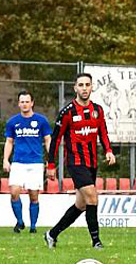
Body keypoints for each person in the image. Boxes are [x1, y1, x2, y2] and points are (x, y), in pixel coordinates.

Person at [44, 73, 116, 249]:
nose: (84, 88)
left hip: (92, 163)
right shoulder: (67, 112)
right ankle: (96, 242)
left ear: (92, 87)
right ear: (75, 88)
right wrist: (51, 165)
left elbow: (103, 132)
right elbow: (56, 140)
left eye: (87, 85)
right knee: (92, 196)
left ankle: (52, 234)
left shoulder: (97, 110)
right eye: (81, 85)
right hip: (75, 163)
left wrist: (108, 150)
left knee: (81, 204)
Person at [3, 90, 51, 234]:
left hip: (35, 162)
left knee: (34, 195)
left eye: (27, 102)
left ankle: (33, 226)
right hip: (18, 162)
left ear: (32, 103)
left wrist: (51, 159)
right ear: (19, 104)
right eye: (22, 102)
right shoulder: (13, 122)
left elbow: (48, 139)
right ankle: (19, 222)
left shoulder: (41, 121)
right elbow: (9, 141)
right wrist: (5, 159)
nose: (24, 104)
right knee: (14, 192)